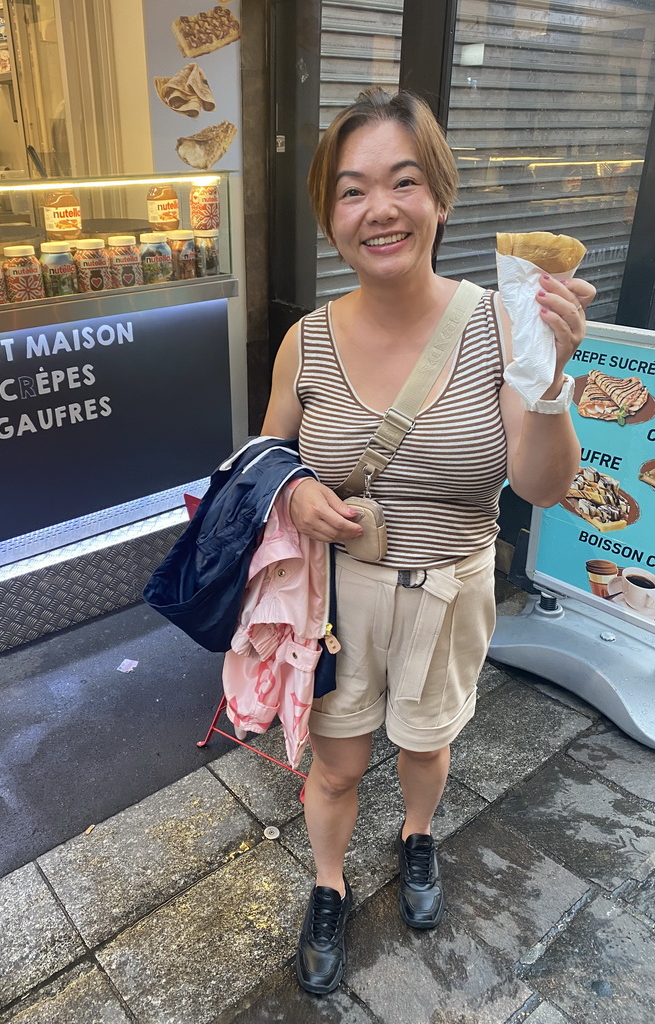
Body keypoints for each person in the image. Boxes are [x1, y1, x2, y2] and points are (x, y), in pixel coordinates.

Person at [260, 87, 595, 996]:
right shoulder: (306, 340)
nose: (380, 209)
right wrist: (293, 494)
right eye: (352, 190)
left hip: (451, 585)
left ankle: (416, 836)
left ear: (439, 198)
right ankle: (328, 884)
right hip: (337, 599)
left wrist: (555, 378)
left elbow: (543, 486)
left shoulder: (501, 324)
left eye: (403, 182)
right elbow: (258, 463)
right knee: (336, 764)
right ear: (331, 216)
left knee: (425, 741)